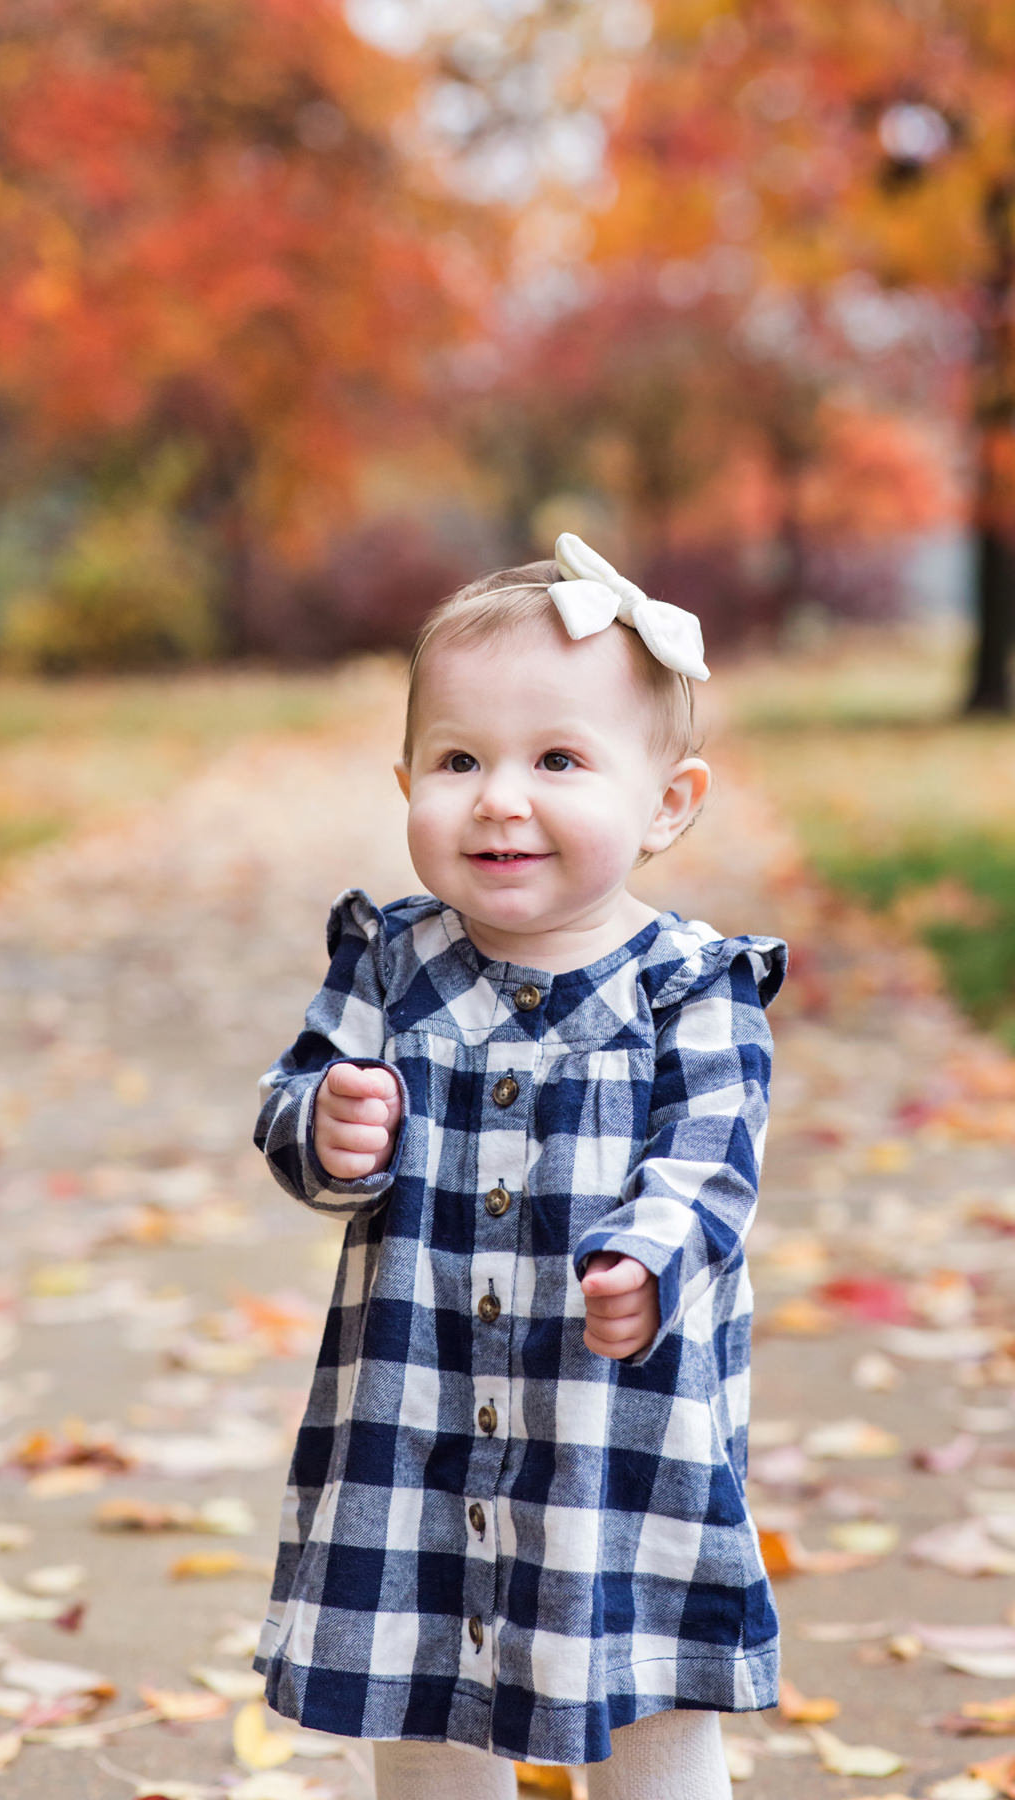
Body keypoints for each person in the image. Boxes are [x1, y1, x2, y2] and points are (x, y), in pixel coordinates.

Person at [251, 534, 789, 1800]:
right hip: (417, 1415)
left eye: (557, 760)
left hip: (622, 1429)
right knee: (428, 1685)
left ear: (668, 801)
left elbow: (713, 1163)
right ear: (405, 783)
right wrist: (325, 1128)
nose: (500, 797)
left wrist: (652, 1258)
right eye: (458, 760)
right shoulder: (389, 963)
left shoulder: (692, 988)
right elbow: (292, 1099)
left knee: (649, 1686)